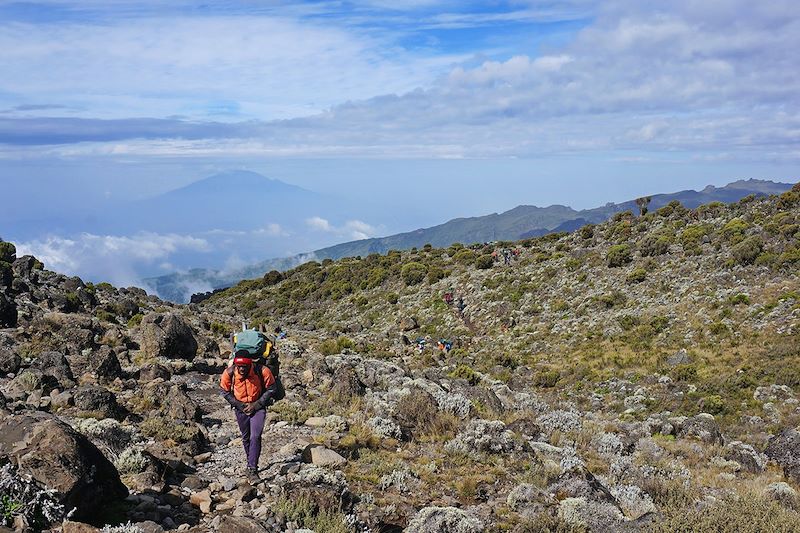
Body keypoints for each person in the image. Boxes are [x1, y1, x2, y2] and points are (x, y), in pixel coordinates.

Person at [220, 355, 278, 481]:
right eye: (239, 366)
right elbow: (224, 391)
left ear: (250, 365)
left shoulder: (262, 371)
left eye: (244, 367)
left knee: (255, 436)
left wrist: (256, 404)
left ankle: (252, 469)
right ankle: (250, 461)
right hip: (240, 408)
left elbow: (272, 388)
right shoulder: (229, 373)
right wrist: (238, 404)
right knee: (246, 437)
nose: (241, 369)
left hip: (258, 407)